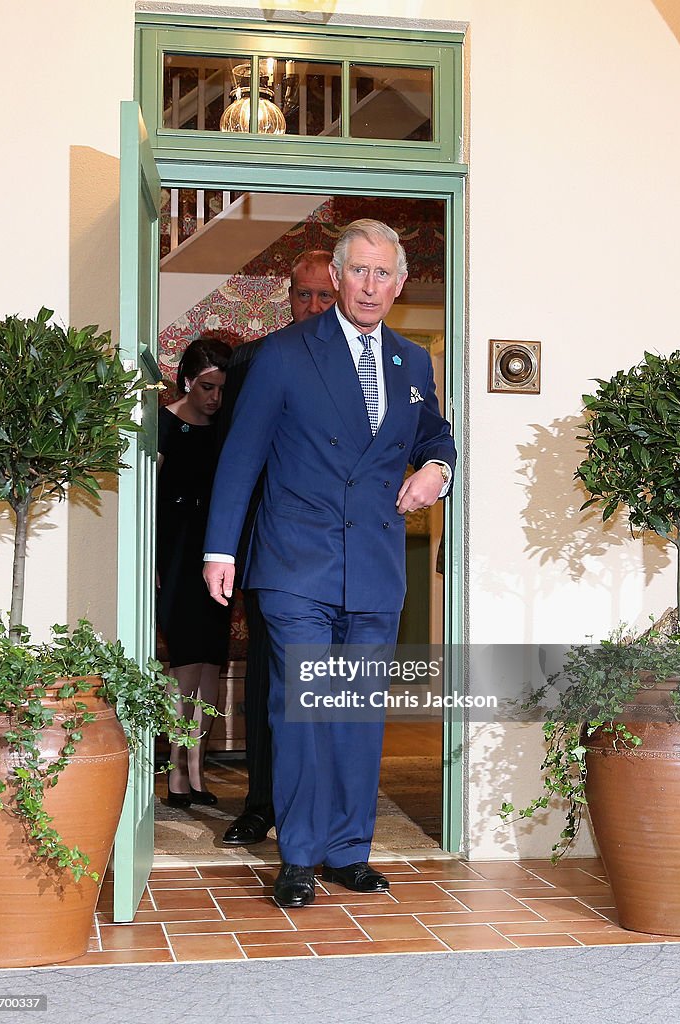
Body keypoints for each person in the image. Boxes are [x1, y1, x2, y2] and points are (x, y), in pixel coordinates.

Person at [203, 220, 456, 908]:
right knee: (304, 708)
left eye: (384, 274)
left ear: (400, 284)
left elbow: (433, 431)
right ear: (337, 278)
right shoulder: (282, 354)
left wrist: (437, 467)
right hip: (294, 562)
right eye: (359, 272)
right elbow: (243, 455)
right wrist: (220, 547)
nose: (371, 285)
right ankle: (300, 855)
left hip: (372, 562)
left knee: (357, 709)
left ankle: (349, 852)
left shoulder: (411, 360)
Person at [220, 250, 337, 846]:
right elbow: (236, 457)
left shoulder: (365, 362)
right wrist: (229, 549)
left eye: (324, 296)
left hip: (339, 551)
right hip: (271, 549)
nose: (313, 306)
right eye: (303, 295)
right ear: (287, 297)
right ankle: (260, 804)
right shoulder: (254, 359)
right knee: (271, 679)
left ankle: (324, 817)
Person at [157, 335, 233, 807]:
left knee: (211, 665)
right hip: (175, 552)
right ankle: (177, 773)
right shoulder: (162, 423)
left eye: (222, 389)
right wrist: (152, 561)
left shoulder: (226, 428)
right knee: (184, 664)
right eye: (207, 387)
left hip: (216, 551)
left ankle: (199, 770)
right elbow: (147, 495)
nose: (214, 398)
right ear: (188, 380)